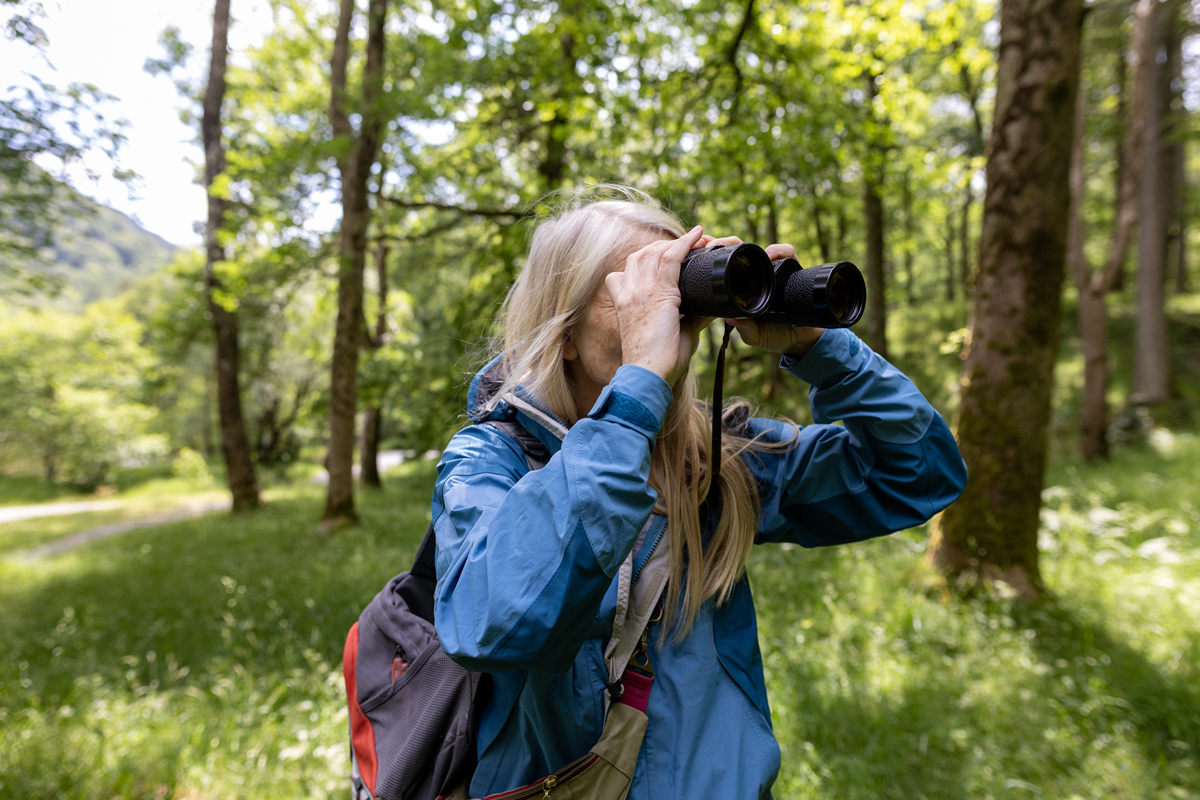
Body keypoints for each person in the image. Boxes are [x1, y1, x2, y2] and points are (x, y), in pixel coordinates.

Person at [430, 186, 967, 800]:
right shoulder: (490, 459)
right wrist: (632, 404)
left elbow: (919, 472)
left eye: (677, 292)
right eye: (639, 295)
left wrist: (819, 349)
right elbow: (492, 624)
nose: (666, 313)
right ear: (567, 331)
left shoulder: (713, 460)